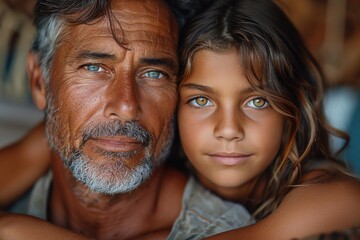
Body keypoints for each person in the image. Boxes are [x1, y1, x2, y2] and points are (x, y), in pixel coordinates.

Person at [0, 0, 253, 239]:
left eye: (154, 73)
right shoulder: (21, 188)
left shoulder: (224, 230)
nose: (126, 107)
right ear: (39, 83)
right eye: (94, 67)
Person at [175, 0, 360, 239]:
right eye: (201, 100)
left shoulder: (336, 198)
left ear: (293, 108)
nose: (229, 130)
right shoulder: (150, 190)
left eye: (257, 102)